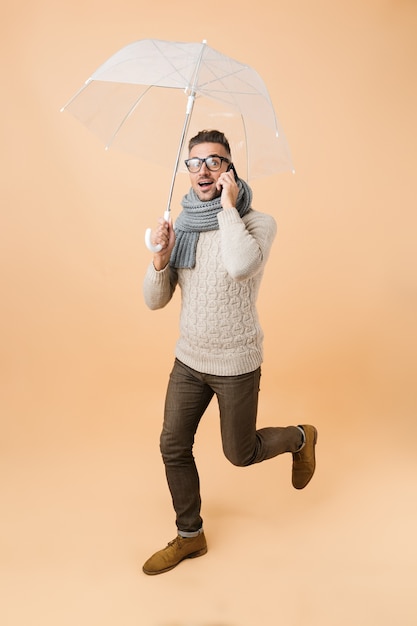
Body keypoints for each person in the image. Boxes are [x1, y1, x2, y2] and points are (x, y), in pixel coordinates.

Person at [142, 130, 317, 575]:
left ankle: (300, 437)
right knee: (172, 444)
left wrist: (226, 209)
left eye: (214, 161)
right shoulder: (181, 227)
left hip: (236, 363)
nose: (203, 170)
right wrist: (160, 258)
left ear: (230, 170)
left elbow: (240, 265)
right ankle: (189, 535)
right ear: (188, 170)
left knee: (239, 453)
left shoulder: (258, 223)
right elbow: (154, 300)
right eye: (195, 162)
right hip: (189, 360)